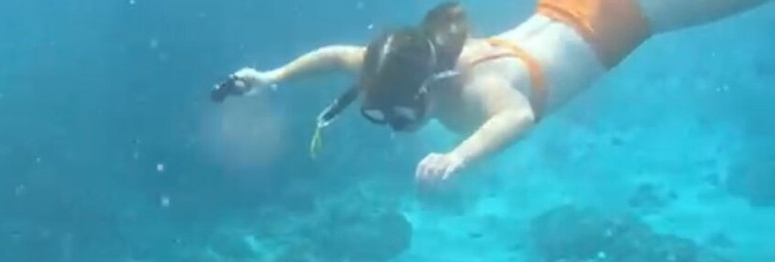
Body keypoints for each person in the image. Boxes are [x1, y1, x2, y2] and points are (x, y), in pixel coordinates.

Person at [210, 0, 772, 187]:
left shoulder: (481, 89)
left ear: (428, 86)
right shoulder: (407, 59)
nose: (399, 125)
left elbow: (517, 116)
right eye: (383, 117)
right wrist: (272, 77)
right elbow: (337, 57)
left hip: (641, 10)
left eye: (401, 116)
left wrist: (458, 155)